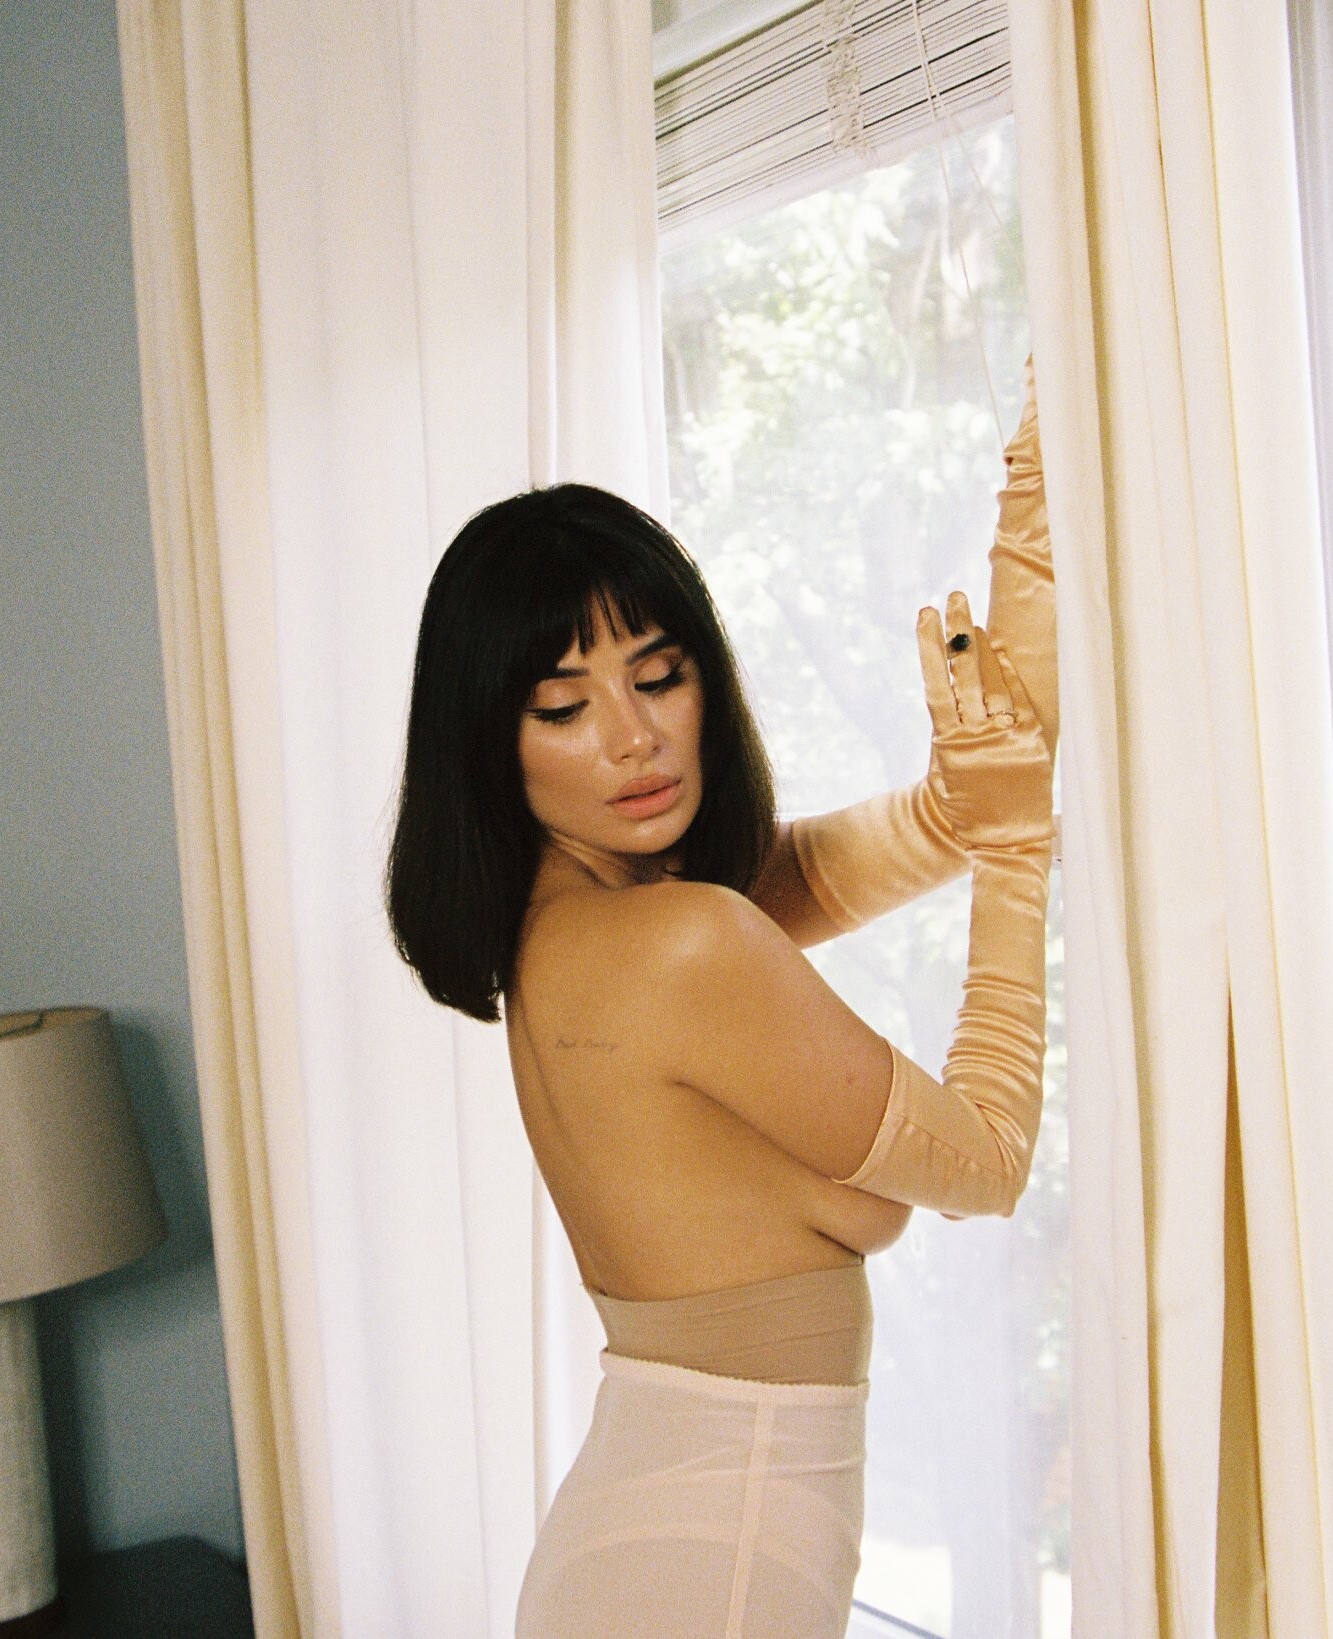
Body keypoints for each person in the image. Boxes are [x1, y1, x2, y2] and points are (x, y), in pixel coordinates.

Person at [385, 363, 1056, 1637]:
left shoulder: (568, 931)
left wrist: (961, 806)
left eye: (659, 675)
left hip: (650, 1520)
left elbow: (802, 871)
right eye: (563, 705)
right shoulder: (681, 944)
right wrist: (1017, 851)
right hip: (723, 1546)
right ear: (490, 740)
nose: (632, 735)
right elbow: (987, 1158)